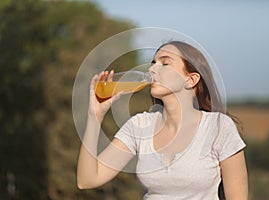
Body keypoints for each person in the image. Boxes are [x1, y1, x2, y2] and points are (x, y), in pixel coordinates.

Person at [77, 41, 248, 200]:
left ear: (190, 80)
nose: (152, 70)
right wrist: (95, 116)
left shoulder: (218, 127)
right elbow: (87, 180)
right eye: (153, 63)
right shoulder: (139, 126)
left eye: (165, 63)